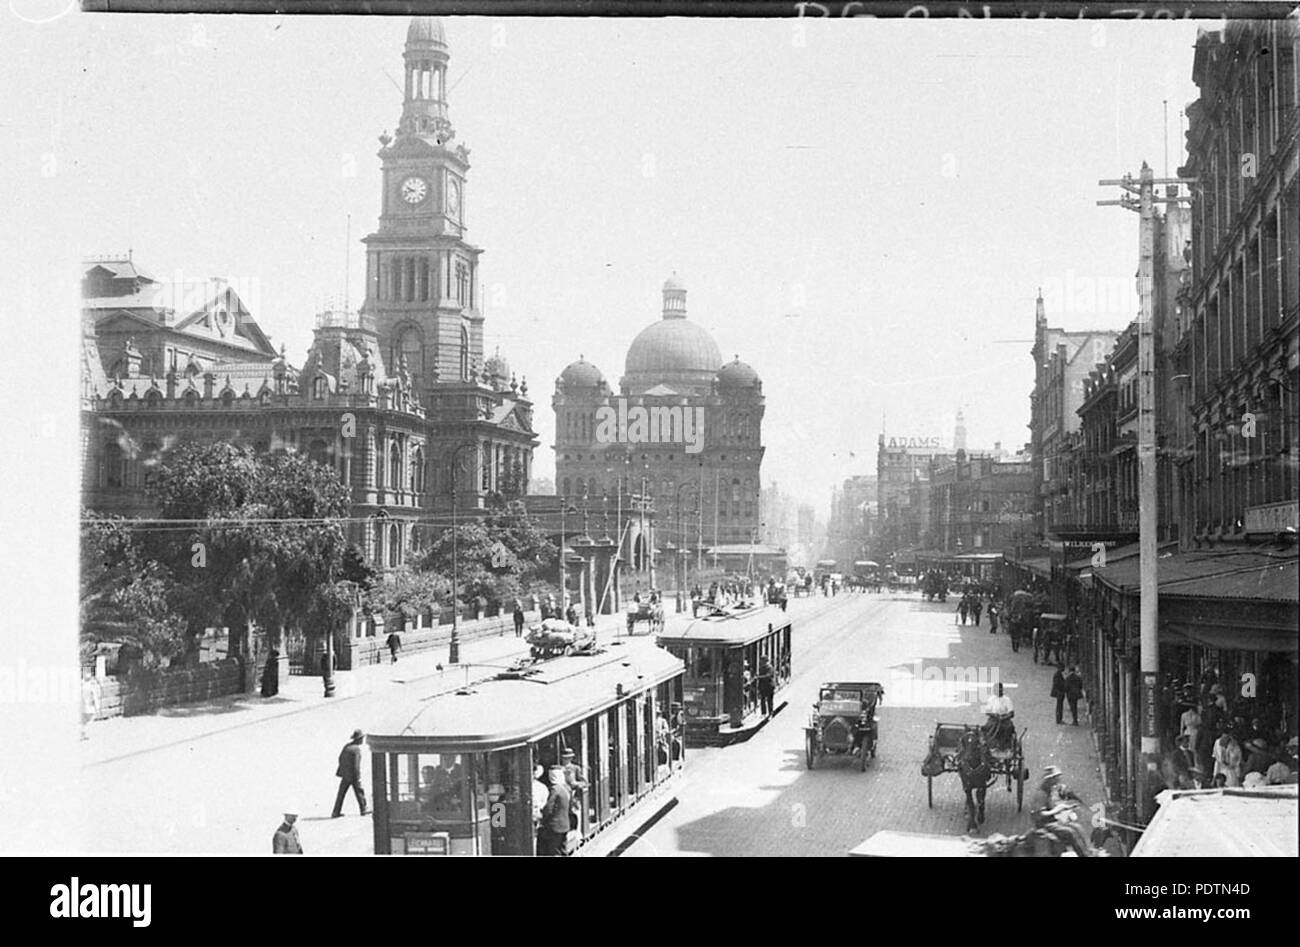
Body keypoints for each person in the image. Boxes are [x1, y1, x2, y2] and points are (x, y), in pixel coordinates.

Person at [332, 729, 368, 818]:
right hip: (353, 775)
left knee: (341, 793)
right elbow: (356, 765)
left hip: (345, 775)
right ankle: (363, 809)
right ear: (359, 739)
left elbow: (340, 758)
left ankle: (336, 812)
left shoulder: (347, 746)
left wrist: (343, 771)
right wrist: (357, 776)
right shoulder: (356, 749)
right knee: (359, 792)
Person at [537, 766, 571, 856]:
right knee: (563, 850)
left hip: (554, 826)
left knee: (554, 851)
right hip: (564, 825)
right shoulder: (565, 788)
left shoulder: (555, 790)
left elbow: (549, 808)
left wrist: (542, 817)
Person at [560, 747, 588, 832]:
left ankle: (577, 832)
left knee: (575, 813)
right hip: (563, 794)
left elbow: (585, 782)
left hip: (574, 796)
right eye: (564, 758)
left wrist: (577, 784)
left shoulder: (575, 768)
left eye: (568, 758)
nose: (566, 760)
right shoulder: (559, 769)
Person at [80, 669, 103, 741]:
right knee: (90, 720)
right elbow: (95, 697)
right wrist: (98, 707)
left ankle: (83, 732)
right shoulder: (91, 687)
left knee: (84, 721)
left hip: (83, 706)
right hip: (90, 706)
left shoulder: (81, 686)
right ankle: (84, 733)